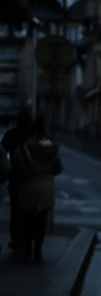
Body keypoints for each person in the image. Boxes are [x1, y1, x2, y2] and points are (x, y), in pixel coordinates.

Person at [10, 114, 62, 263]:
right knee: (41, 221)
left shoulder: (26, 146)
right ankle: (38, 250)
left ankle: (28, 249)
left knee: (27, 220)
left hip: (28, 187)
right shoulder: (52, 146)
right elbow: (58, 168)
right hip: (46, 188)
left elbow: (17, 165)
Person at [1, 109, 33, 253]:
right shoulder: (34, 136)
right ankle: (28, 242)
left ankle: (16, 241)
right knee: (31, 212)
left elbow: (2, 154)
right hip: (33, 178)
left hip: (15, 177)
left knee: (16, 211)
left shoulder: (10, 135)